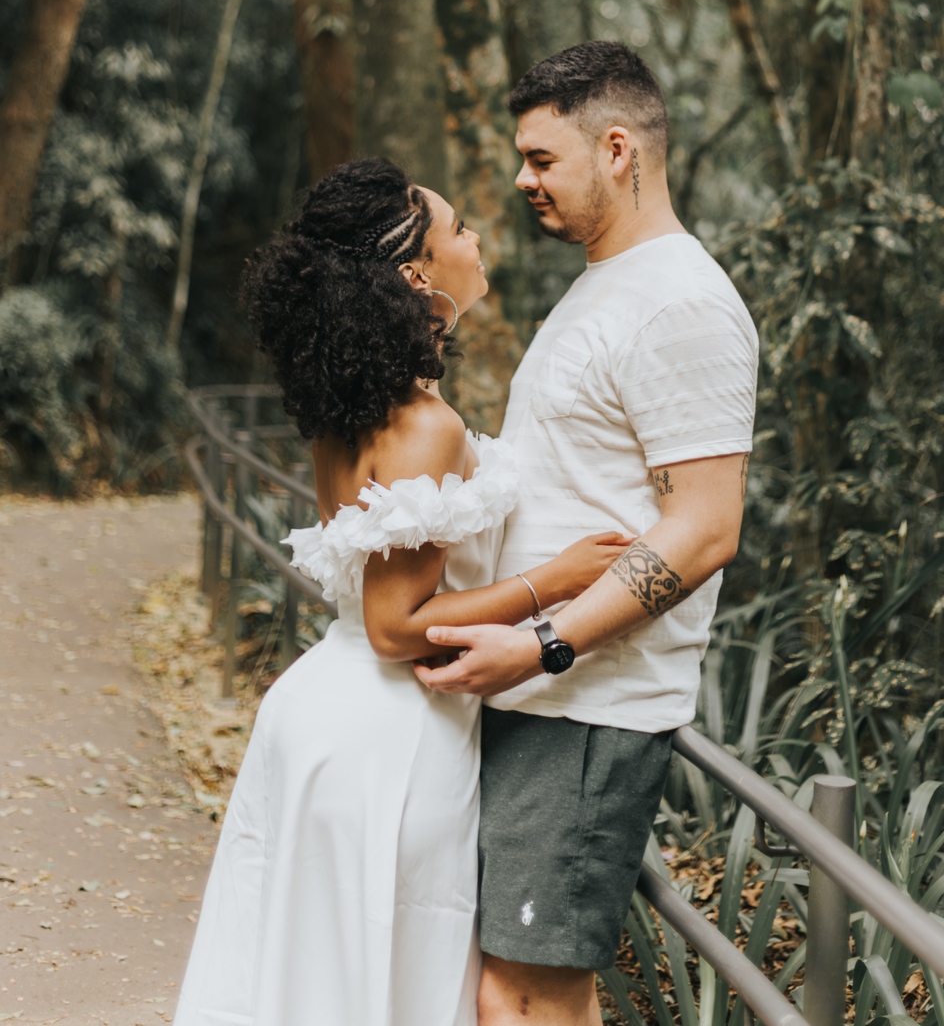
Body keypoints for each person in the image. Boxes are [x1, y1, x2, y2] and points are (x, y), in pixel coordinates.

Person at [173, 158, 629, 1026]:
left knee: (308, 974)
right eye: (457, 228)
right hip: (387, 736)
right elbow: (394, 626)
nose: (476, 236)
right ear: (417, 274)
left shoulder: (354, 407)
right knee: (384, 968)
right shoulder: (424, 425)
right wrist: (555, 581)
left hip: (325, 713)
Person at [417, 43, 759, 1026]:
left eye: (541, 158)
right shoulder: (607, 285)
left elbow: (705, 528)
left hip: (584, 709)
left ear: (617, 149)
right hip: (532, 693)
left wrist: (541, 645)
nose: (522, 179)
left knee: (524, 996)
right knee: (503, 990)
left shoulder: (683, 304)